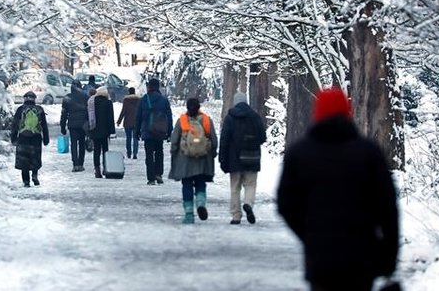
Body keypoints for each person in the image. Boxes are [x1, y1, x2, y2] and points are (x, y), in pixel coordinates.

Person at [277, 88, 399, 291]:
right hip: (362, 255)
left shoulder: (299, 154)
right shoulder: (368, 153)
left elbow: (286, 204)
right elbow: (388, 209)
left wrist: (309, 232)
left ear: (317, 114)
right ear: (347, 113)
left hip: (320, 257)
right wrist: (388, 257)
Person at [219, 92, 266, 225]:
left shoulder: (230, 118)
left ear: (235, 102)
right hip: (252, 157)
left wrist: (223, 158)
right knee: (250, 185)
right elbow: (263, 137)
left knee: (235, 188)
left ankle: (236, 215)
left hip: (234, 159)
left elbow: (224, 140)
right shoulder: (255, 116)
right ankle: (248, 204)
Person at [168, 98, 217, 224]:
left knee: (187, 185)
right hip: (202, 158)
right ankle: (200, 202)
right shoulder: (206, 120)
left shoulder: (182, 121)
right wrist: (212, 153)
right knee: (200, 182)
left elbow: (174, 139)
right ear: (199, 107)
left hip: (185, 159)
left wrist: (174, 152)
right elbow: (213, 139)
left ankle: (189, 213)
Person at [135, 78, 173, 185]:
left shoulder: (143, 100)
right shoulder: (164, 100)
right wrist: (170, 132)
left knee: (149, 154)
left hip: (147, 131)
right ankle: (158, 174)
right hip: (160, 131)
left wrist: (137, 131)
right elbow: (169, 117)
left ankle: (151, 178)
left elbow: (138, 117)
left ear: (149, 87)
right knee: (159, 152)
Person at [10, 91, 49, 187]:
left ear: (25, 99)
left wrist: (13, 138)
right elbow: (44, 125)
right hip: (36, 137)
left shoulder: (20, 109)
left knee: (24, 159)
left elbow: (15, 125)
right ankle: (35, 175)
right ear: (34, 99)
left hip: (23, 137)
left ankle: (26, 181)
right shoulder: (39, 109)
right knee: (35, 157)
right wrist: (46, 139)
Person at [60, 79, 89, 172]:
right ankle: (81, 163)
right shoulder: (85, 96)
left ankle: (75, 164)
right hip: (83, 124)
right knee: (81, 144)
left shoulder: (67, 98)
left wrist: (62, 126)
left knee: (73, 144)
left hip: (72, 124)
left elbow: (64, 114)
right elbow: (89, 111)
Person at [90, 86, 115, 178]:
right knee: (105, 150)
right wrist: (112, 131)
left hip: (94, 129)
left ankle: (97, 169)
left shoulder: (92, 102)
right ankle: (105, 168)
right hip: (105, 131)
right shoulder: (108, 103)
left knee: (96, 150)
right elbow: (110, 118)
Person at [116, 87, 141, 159]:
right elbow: (140, 112)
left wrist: (119, 121)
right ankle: (135, 153)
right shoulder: (139, 100)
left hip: (127, 122)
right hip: (136, 122)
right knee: (136, 138)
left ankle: (129, 153)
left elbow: (123, 111)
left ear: (129, 92)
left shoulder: (126, 100)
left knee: (128, 138)